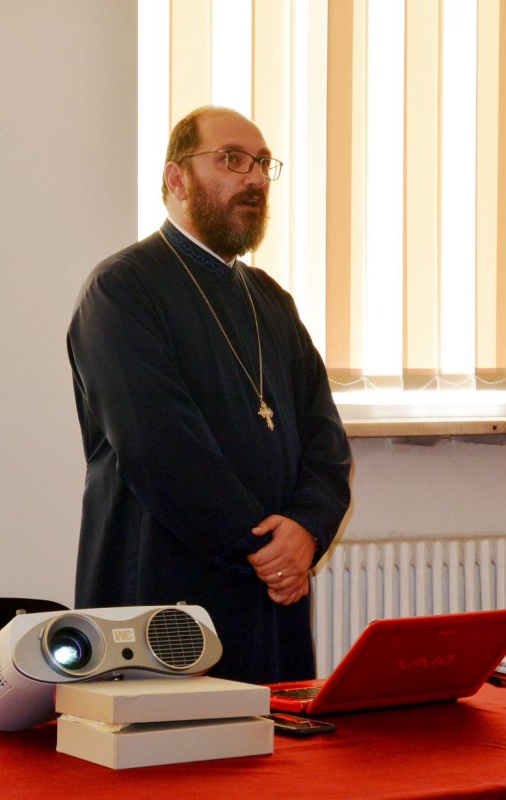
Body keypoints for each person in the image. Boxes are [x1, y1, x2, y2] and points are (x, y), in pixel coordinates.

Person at [66, 106, 352, 684]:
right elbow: (159, 445)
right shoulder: (122, 288)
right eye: (231, 160)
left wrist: (307, 530)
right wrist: (263, 547)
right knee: (177, 764)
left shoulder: (270, 299)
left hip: (273, 585)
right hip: (168, 585)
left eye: (263, 165)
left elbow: (325, 437)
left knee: (280, 756)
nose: (254, 178)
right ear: (177, 180)